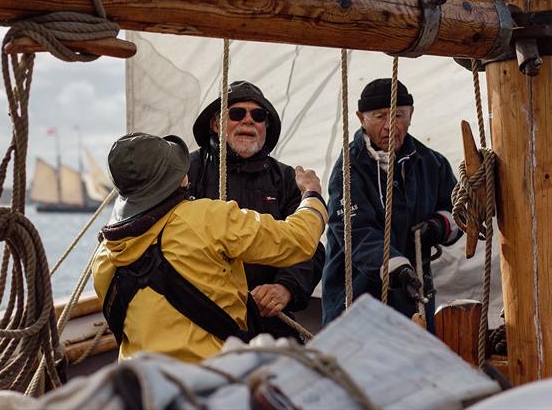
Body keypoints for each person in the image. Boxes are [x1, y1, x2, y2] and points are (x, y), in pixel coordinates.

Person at [91, 132, 327, 363]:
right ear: (177, 178)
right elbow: (299, 240)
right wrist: (312, 195)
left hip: (141, 386)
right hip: (211, 378)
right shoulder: (208, 219)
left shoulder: (103, 257)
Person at [188, 80, 325, 341]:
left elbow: (311, 249)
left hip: (267, 319)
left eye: (258, 116)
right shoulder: (187, 171)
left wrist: (285, 288)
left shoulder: (286, 179)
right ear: (216, 125)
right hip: (199, 317)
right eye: (236, 113)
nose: (248, 121)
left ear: (265, 128)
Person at [321, 78, 461, 332]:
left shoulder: (431, 163)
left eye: (398, 115)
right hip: (356, 303)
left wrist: (438, 226)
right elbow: (355, 231)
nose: (389, 126)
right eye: (379, 116)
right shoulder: (348, 171)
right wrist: (397, 267)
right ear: (360, 117)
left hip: (413, 304)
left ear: (411, 114)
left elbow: (459, 212)